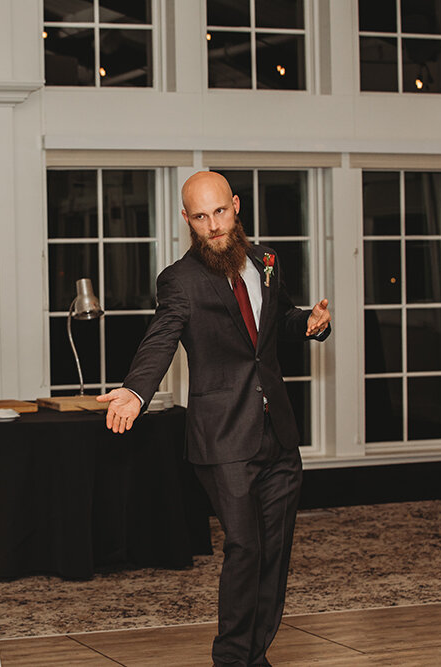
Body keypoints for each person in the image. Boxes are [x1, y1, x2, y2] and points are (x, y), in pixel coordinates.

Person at [98, 171, 331, 666]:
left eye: (220, 212)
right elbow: (162, 336)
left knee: (275, 554)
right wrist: (137, 391)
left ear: (236, 206)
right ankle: (230, 659)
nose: (213, 225)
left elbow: (278, 318)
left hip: (279, 434)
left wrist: (307, 322)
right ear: (187, 220)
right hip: (224, 439)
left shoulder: (266, 260)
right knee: (246, 548)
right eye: (200, 217)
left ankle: (254, 655)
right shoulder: (179, 280)